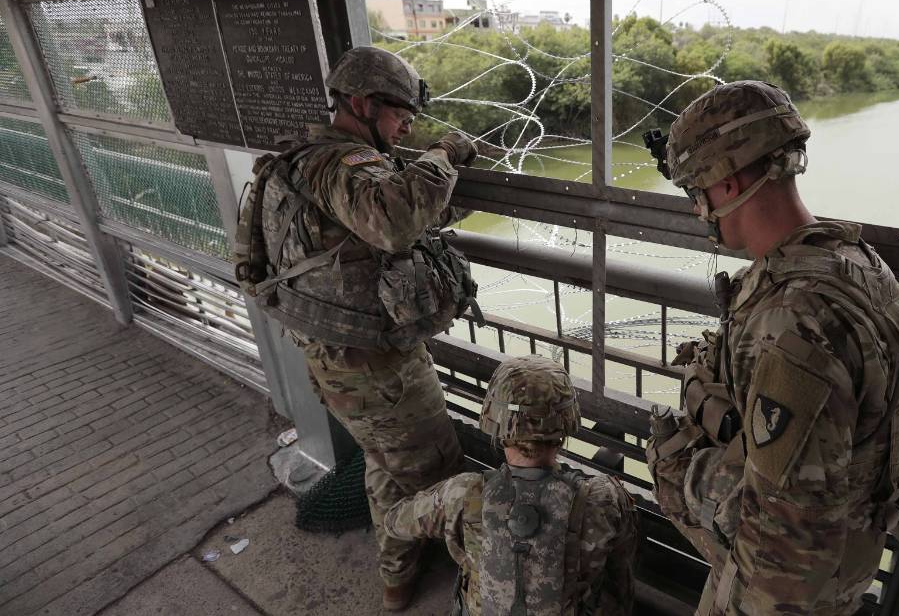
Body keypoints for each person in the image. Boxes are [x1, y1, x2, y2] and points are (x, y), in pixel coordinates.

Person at [644, 80, 899, 615]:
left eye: (696, 191)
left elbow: (784, 565)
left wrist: (685, 473)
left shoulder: (794, 325)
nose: (698, 209)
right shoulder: (855, 259)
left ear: (730, 181)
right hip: (839, 554)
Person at [235, 46, 480, 610]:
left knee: (385, 467)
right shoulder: (340, 163)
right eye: (399, 116)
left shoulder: (301, 159)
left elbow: (362, 229)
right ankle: (476, 579)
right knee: (437, 471)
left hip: (336, 356)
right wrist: (444, 153)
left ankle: (396, 580)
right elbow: (393, 221)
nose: (405, 128)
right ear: (364, 104)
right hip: (374, 367)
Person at [384, 355, 639, 615]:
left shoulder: (462, 494)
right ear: (566, 426)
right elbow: (622, 577)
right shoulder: (604, 500)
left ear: (496, 424)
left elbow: (395, 521)